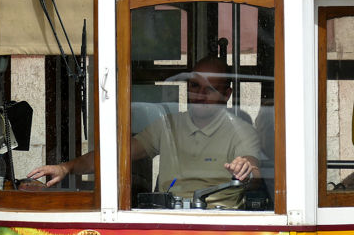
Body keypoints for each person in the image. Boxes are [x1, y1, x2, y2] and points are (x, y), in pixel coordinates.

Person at [27, 56, 261, 208]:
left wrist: (246, 170)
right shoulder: (167, 125)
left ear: (227, 94)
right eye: (194, 86)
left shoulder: (240, 131)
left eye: (210, 89)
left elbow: (253, 172)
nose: (200, 94)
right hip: (167, 219)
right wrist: (66, 167)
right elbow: (117, 154)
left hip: (222, 225)